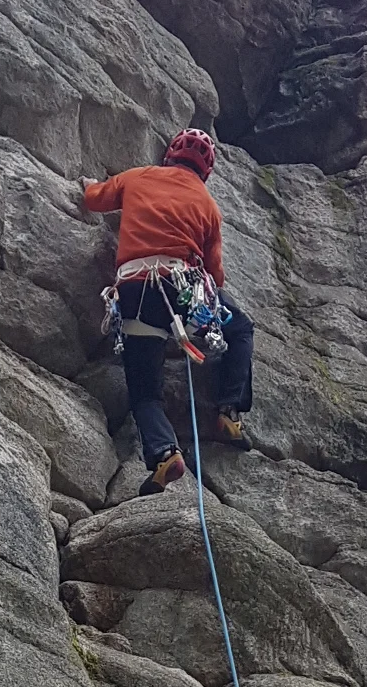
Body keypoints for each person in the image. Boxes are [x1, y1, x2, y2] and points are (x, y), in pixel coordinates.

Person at [81, 130, 256, 495]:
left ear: (169, 155)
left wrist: (88, 185)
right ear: (206, 171)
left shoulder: (138, 177)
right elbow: (216, 274)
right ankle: (229, 411)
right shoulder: (208, 205)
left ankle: (164, 453)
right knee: (239, 328)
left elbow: (95, 199)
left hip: (135, 293)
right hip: (184, 291)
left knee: (145, 390)